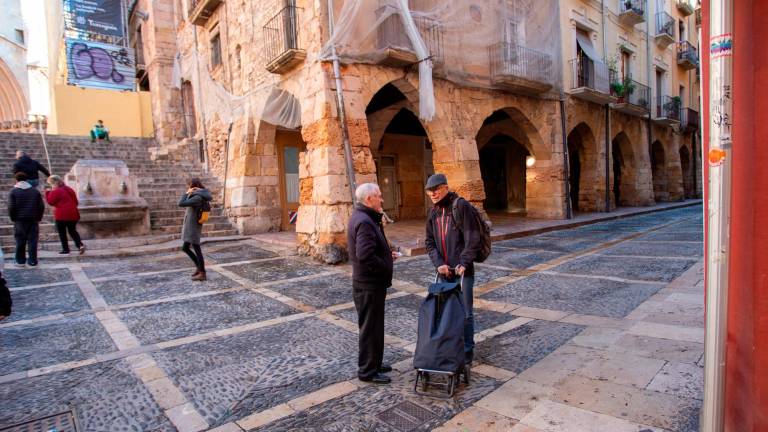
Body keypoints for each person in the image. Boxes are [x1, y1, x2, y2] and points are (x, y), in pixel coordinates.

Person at [424, 173, 483, 364]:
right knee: (445, 312)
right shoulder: (433, 212)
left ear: (445, 188)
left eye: (436, 190)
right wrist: (439, 263)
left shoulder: (460, 206)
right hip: (444, 272)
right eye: (429, 191)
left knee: (465, 312)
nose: (432, 194)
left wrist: (464, 263)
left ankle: (467, 352)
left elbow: (472, 237)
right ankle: (450, 348)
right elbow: (430, 242)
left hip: (462, 271)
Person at [347, 183, 398, 384]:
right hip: (368, 285)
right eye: (378, 196)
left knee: (375, 326)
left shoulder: (365, 218)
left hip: (370, 284)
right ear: (369, 199)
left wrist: (387, 254)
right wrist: (385, 263)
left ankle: (374, 363)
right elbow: (365, 255)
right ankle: (367, 371)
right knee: (370, 328)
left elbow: (371, 249)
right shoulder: (365, 221)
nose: (381, 199)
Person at [178, 178, 212, 281]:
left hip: (193, 227)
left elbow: (181, 203)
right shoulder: (200, 194)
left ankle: (202, 273)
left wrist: (186, 193)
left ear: (192, 186)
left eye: (189, 186)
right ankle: (199, 268)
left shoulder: (197, 197)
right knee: (186, 248)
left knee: (197, 249)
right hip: (191, 226)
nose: (188, 188)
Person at [8, 172, 45, 267]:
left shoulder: (13, 191)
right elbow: (41, 206)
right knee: (33, 240)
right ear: (27, 179)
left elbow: (11, 207)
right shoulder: (35, 191)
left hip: (19, 220)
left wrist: (13, 218)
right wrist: (39, 217)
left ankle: (20, 261)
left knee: (20, 239)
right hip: (33, 219)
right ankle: (33, 261)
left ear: (16, 180)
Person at [44, 175, 86, 255]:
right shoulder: (69, 189)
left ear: (54, 183)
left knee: (62, 232)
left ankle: (65, 249)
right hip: (73, 213)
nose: (51, 186)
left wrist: (47, 192)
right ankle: (80, 245)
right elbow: (76, 202)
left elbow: (50, 201)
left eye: (51, 184)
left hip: (61, 215)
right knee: (72, 231)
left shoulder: (57, 191)